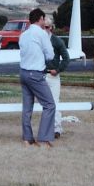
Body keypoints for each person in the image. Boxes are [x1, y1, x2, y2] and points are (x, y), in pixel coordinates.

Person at [19, 8, 56, 148]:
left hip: (23, 72)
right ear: (40, 18)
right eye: (44, 19)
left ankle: (27, 139)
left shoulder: (23, 35)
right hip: (36, 74)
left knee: (27, 108)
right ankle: (44, 139)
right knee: (49, 105)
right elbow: (50, 55)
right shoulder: (42, 34)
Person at [43, 16, 70, 139]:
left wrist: (58, 70)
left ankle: (56, 129)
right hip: (40, 75)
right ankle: (45, 128)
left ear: (51, 28)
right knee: (43, 103)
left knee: (55, 102)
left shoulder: (57, 41)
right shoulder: (38, 41)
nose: (45, 29)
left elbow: (66, 58)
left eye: (47, 27)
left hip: (53, 76)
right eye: (43, 27)